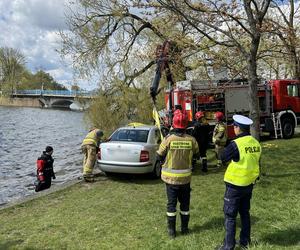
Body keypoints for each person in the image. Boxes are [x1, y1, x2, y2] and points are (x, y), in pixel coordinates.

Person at [216, 115, 261, 250]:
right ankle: (245, 242)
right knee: (245, 213)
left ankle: (228, 246)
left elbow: (223, 157)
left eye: (234, 126)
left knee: (230, 216)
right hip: (248, 184)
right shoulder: (256, 143)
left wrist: (222, 145)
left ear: (237, 128)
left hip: (235, 185)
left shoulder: (236, 144)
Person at [157, 112, 199, 238]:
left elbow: (159, 155)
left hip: (170, 180)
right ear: (186, 125)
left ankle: (172, 232)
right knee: (185, 205)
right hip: (185, 179)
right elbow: (197, 155)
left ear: (173, 124)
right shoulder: (191, 140)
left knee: (171, 204)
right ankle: (185, 229)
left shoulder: (168, 139)